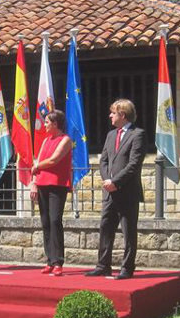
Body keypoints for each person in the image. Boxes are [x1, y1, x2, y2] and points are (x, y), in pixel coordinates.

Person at [86, 99, 146, 280]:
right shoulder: (111, 135)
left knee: (128, 231)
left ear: (123, 115)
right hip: (109, 191)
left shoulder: (138, 134)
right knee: (105, 227)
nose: (110, 116)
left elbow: (134, 163)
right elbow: (103, 160)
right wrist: (107, 180)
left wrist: (116, 181)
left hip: (127, 191)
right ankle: (103, 265)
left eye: (113, 113)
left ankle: (127, 268)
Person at [30, 110, 72, 277]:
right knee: (46, 222)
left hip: (57, 185)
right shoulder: (46, 140)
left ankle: (58, 261)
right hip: (42, 184)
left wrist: (38, 167)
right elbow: (38, 160)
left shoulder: (66, 140)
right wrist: (33, 183)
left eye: (47, 122)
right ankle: (49, 259)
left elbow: (54, 159)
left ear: (55, 124)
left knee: (55, 220)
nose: (45, 125)